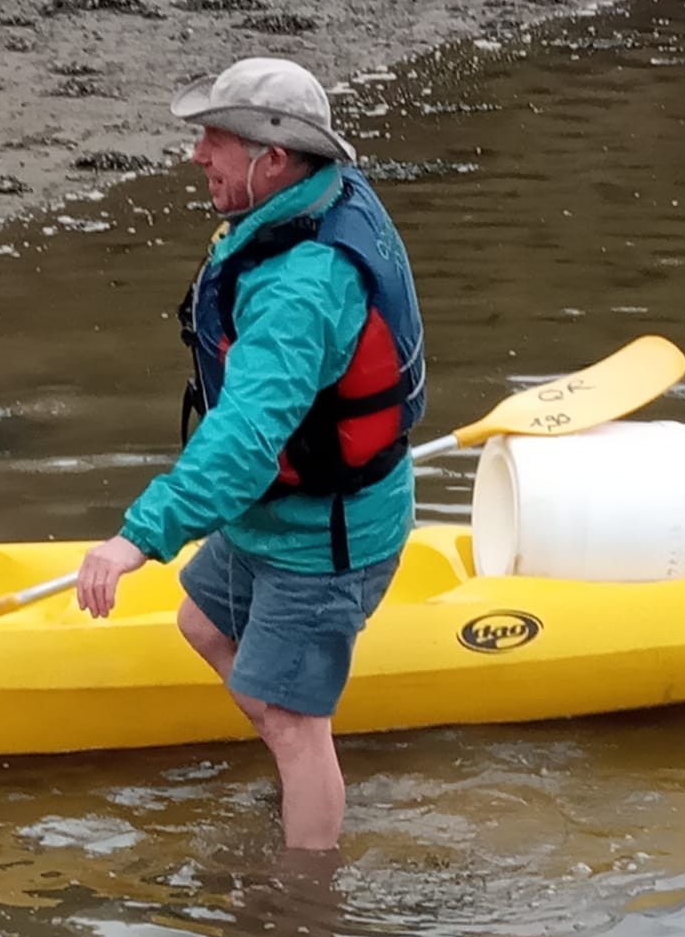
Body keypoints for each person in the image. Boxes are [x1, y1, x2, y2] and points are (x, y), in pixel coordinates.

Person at [75, 57, 426, 851]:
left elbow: (244, 437)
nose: (198, 155)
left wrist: (137, 537)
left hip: (324, 540)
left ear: (273, 159)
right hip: (276, 516)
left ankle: (304, 911)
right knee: (203, 621)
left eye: (215, 139)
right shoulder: (306, 201)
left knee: (300, 727)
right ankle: (300, 759)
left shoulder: (305, 287)